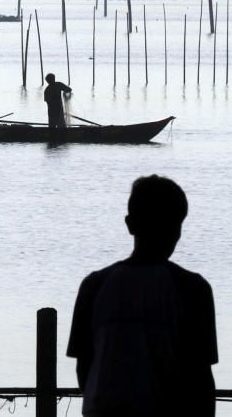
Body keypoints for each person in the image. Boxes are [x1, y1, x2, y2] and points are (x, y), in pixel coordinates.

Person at [67, 175, 217, 417]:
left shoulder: (94, 286)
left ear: (130, 224)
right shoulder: (193, 289)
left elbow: (84, 368)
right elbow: (200, 380)